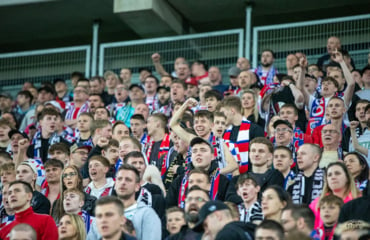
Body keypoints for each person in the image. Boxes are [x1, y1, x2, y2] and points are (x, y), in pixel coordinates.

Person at [114, 164, 161, 240]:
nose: (123, 182)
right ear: (115, 184)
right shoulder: (104, 212)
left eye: (128, 179)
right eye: (119, 179)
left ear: (137, 187)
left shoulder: (148, 215)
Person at [219, 96, 264, 173]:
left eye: (223, 113)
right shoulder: (224, 133)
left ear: (232, 111)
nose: (221, 117)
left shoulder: (255, 129)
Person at [309, 161, 361, 229]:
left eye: (337, 173)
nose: (333, 177)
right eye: (329, 175)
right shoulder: (317, 203)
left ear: (347, 178)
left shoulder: (360, 200)